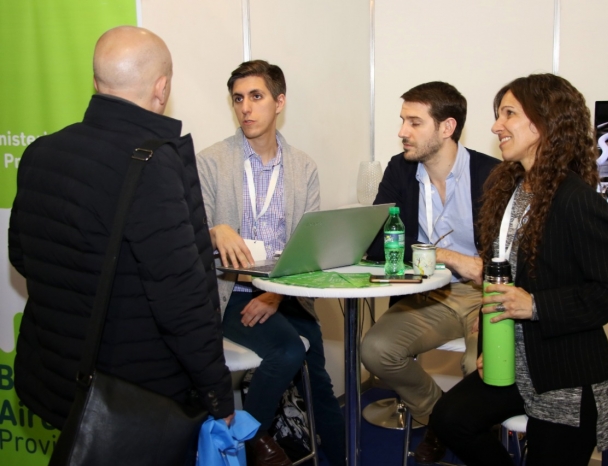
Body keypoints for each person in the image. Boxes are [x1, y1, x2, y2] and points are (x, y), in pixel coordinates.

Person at [9, 25, 234, 440]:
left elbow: (22, 257)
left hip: (58, 378)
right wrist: (218, 394)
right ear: (161, 88)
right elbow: (181, 297)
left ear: (96, 84)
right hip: (132, 394)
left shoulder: (40, 152)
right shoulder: (151, 163)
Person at [430, 73, 608, 465]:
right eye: (498, 115)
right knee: (449, 418)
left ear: (545, 121)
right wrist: (494, 336)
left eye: (508, 113)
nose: (496, 126)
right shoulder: (510, 188)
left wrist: (535, 306)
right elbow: (511, 277)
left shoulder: (577, 200)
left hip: (567, 376)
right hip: (516, 358)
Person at [196, 60, 344, 466]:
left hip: (287, 292)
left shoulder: (303, 167)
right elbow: (189, 230)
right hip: (233, 293)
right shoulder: (210, 161)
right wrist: (215, 231)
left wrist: (276, 297)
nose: (246, 107)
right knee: (288, 353)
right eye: (238, 99)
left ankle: (344, 456)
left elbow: (307, 248)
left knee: (320, 381)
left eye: (256, 97)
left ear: (279, 102)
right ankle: (248, 441)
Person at [361, 81, 499, 463]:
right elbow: (376, 245)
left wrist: (486, 293)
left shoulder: (495, 175)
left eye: (414, 122)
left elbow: (513, 261)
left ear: (446, 127)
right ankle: (442, 419)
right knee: (375, 349)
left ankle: (476, 441)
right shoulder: (400, 170)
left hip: (484, 294)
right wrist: (448, 256)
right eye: (403, 120)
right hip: (429, 293)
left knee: (482, 366)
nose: (402, 131)